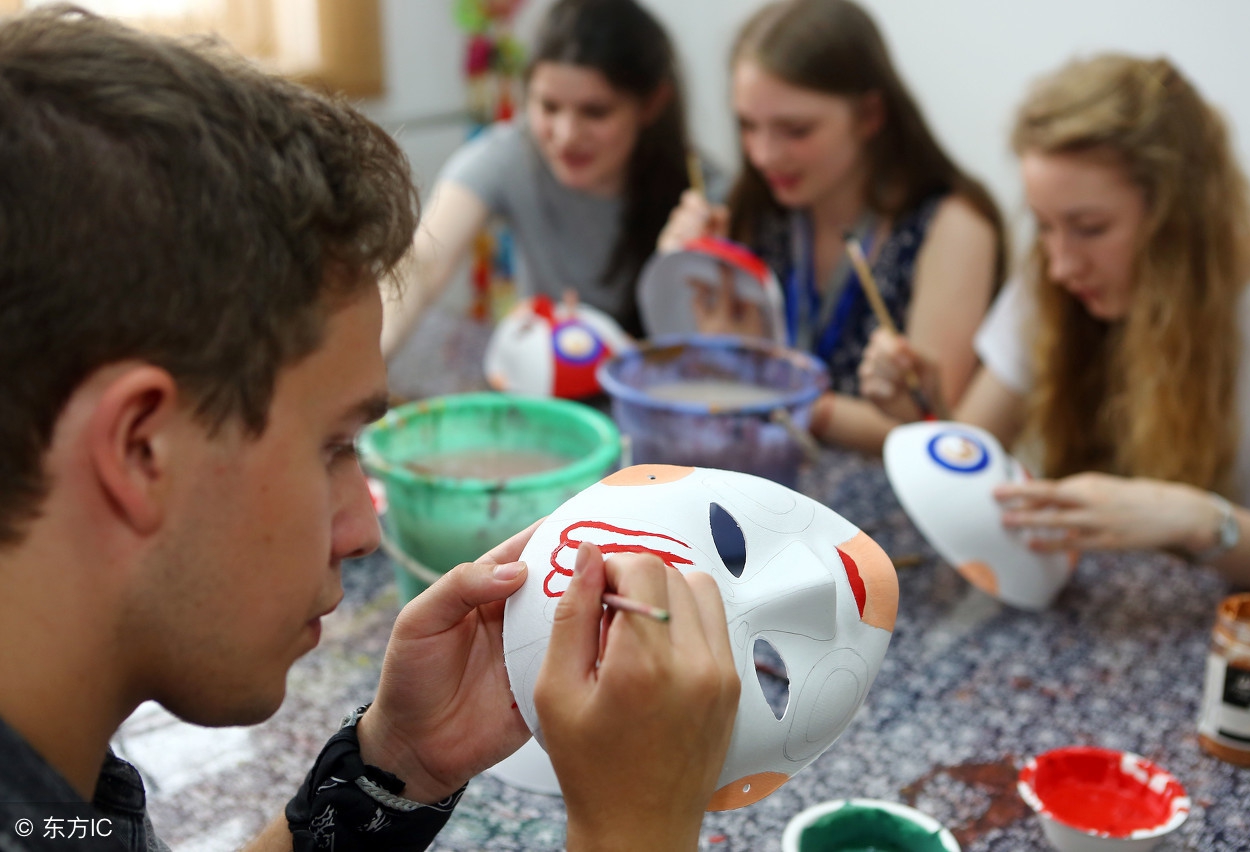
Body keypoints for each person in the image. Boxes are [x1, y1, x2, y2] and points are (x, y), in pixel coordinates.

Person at [0, 6, 740, 851]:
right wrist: (633, 825)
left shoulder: (54, 801)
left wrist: (396, 767)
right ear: (140, 448)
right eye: (333, 447)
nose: (363, 528)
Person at [859, 54, 1250, 594]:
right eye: (1045, 227)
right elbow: (973, 453)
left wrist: (1198, 519)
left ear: (1180, 217)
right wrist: (923, 415)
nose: (1060, 265)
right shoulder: (1057, 278)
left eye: (1090, 228)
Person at [657, 0, 1003, 454]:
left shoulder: (951, 226)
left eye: (795, 130)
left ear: (870, 116)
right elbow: (701, 374)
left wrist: (774, 390)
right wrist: (681, 273)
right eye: (747, 126)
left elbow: (934, 431)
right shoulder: (762, 207)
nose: (764, 155)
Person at [381, 0, 699, 353]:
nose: (566, 135)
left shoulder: (701, 191)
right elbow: (423, 262)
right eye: (549, 107)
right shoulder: (509, 155)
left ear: (652, 104)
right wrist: (372, 353)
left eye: (595, 112)